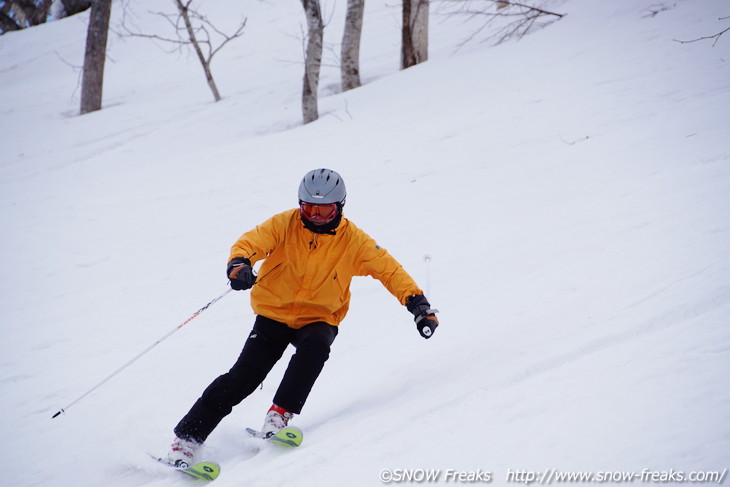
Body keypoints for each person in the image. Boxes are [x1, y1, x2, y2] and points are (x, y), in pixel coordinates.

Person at [166, 168, 439, 466]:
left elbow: (390, 271)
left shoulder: (354, 241)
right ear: (300, 204)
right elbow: (249, 242)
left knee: (316, 347)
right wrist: (239, 264)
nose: (317, 215)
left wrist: (418, 306)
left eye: (325, 209)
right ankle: (186, 441)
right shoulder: (284, 224)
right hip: (273, 314)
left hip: (319, 317)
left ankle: (279, 415)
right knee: (242, 377)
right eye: (310, 208)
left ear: (340, 207)